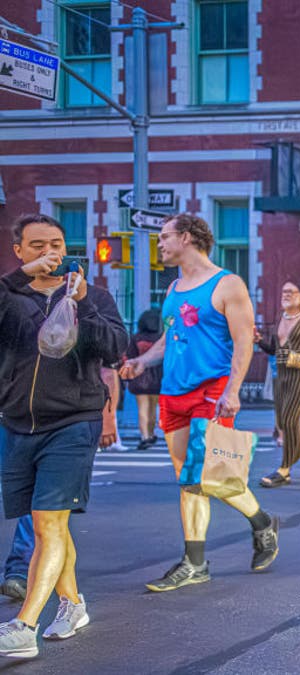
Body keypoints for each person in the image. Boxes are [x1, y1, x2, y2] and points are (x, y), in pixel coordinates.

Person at [120, 214, 279, 592]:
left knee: (202, 474)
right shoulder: (174, 287)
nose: (159, 243)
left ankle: (193, 561)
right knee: (189, 480)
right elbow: (168, 338)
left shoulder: (228, 284)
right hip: (173, 392)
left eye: (164, 237)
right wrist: (142, 361)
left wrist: (233, 391)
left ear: (186, 238)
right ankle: (261, 523)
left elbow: (244, 341)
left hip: (213, 390)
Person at [0, 214, 127, 657]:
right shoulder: (10, 296)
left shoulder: (94, 297)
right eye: (36, 246)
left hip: (74, 421)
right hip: (16, 422)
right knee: (44, 525)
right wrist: (18, 280)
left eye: (55, 244)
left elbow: (114, 348)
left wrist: (84, 301)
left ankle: (23, 626)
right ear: (18, 250)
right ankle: (72, 604)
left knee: (49, 522)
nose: (48, 253)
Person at [255, 282, 300, 487]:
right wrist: (259, 340)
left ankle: (284, 470)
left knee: (288, 421)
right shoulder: (279, 318)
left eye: (290, 292)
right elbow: (273, 349)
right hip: (282, 375)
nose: (285, 295)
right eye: (284, 291)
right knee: (285, 421)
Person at [125, 309, 163, 450]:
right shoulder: (159, 338)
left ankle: (144, 436)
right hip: (157, 377)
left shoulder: (136, 338)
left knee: (143, 408)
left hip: (139, 377)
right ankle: (152, 433)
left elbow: (131, 356)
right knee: (153, 408)